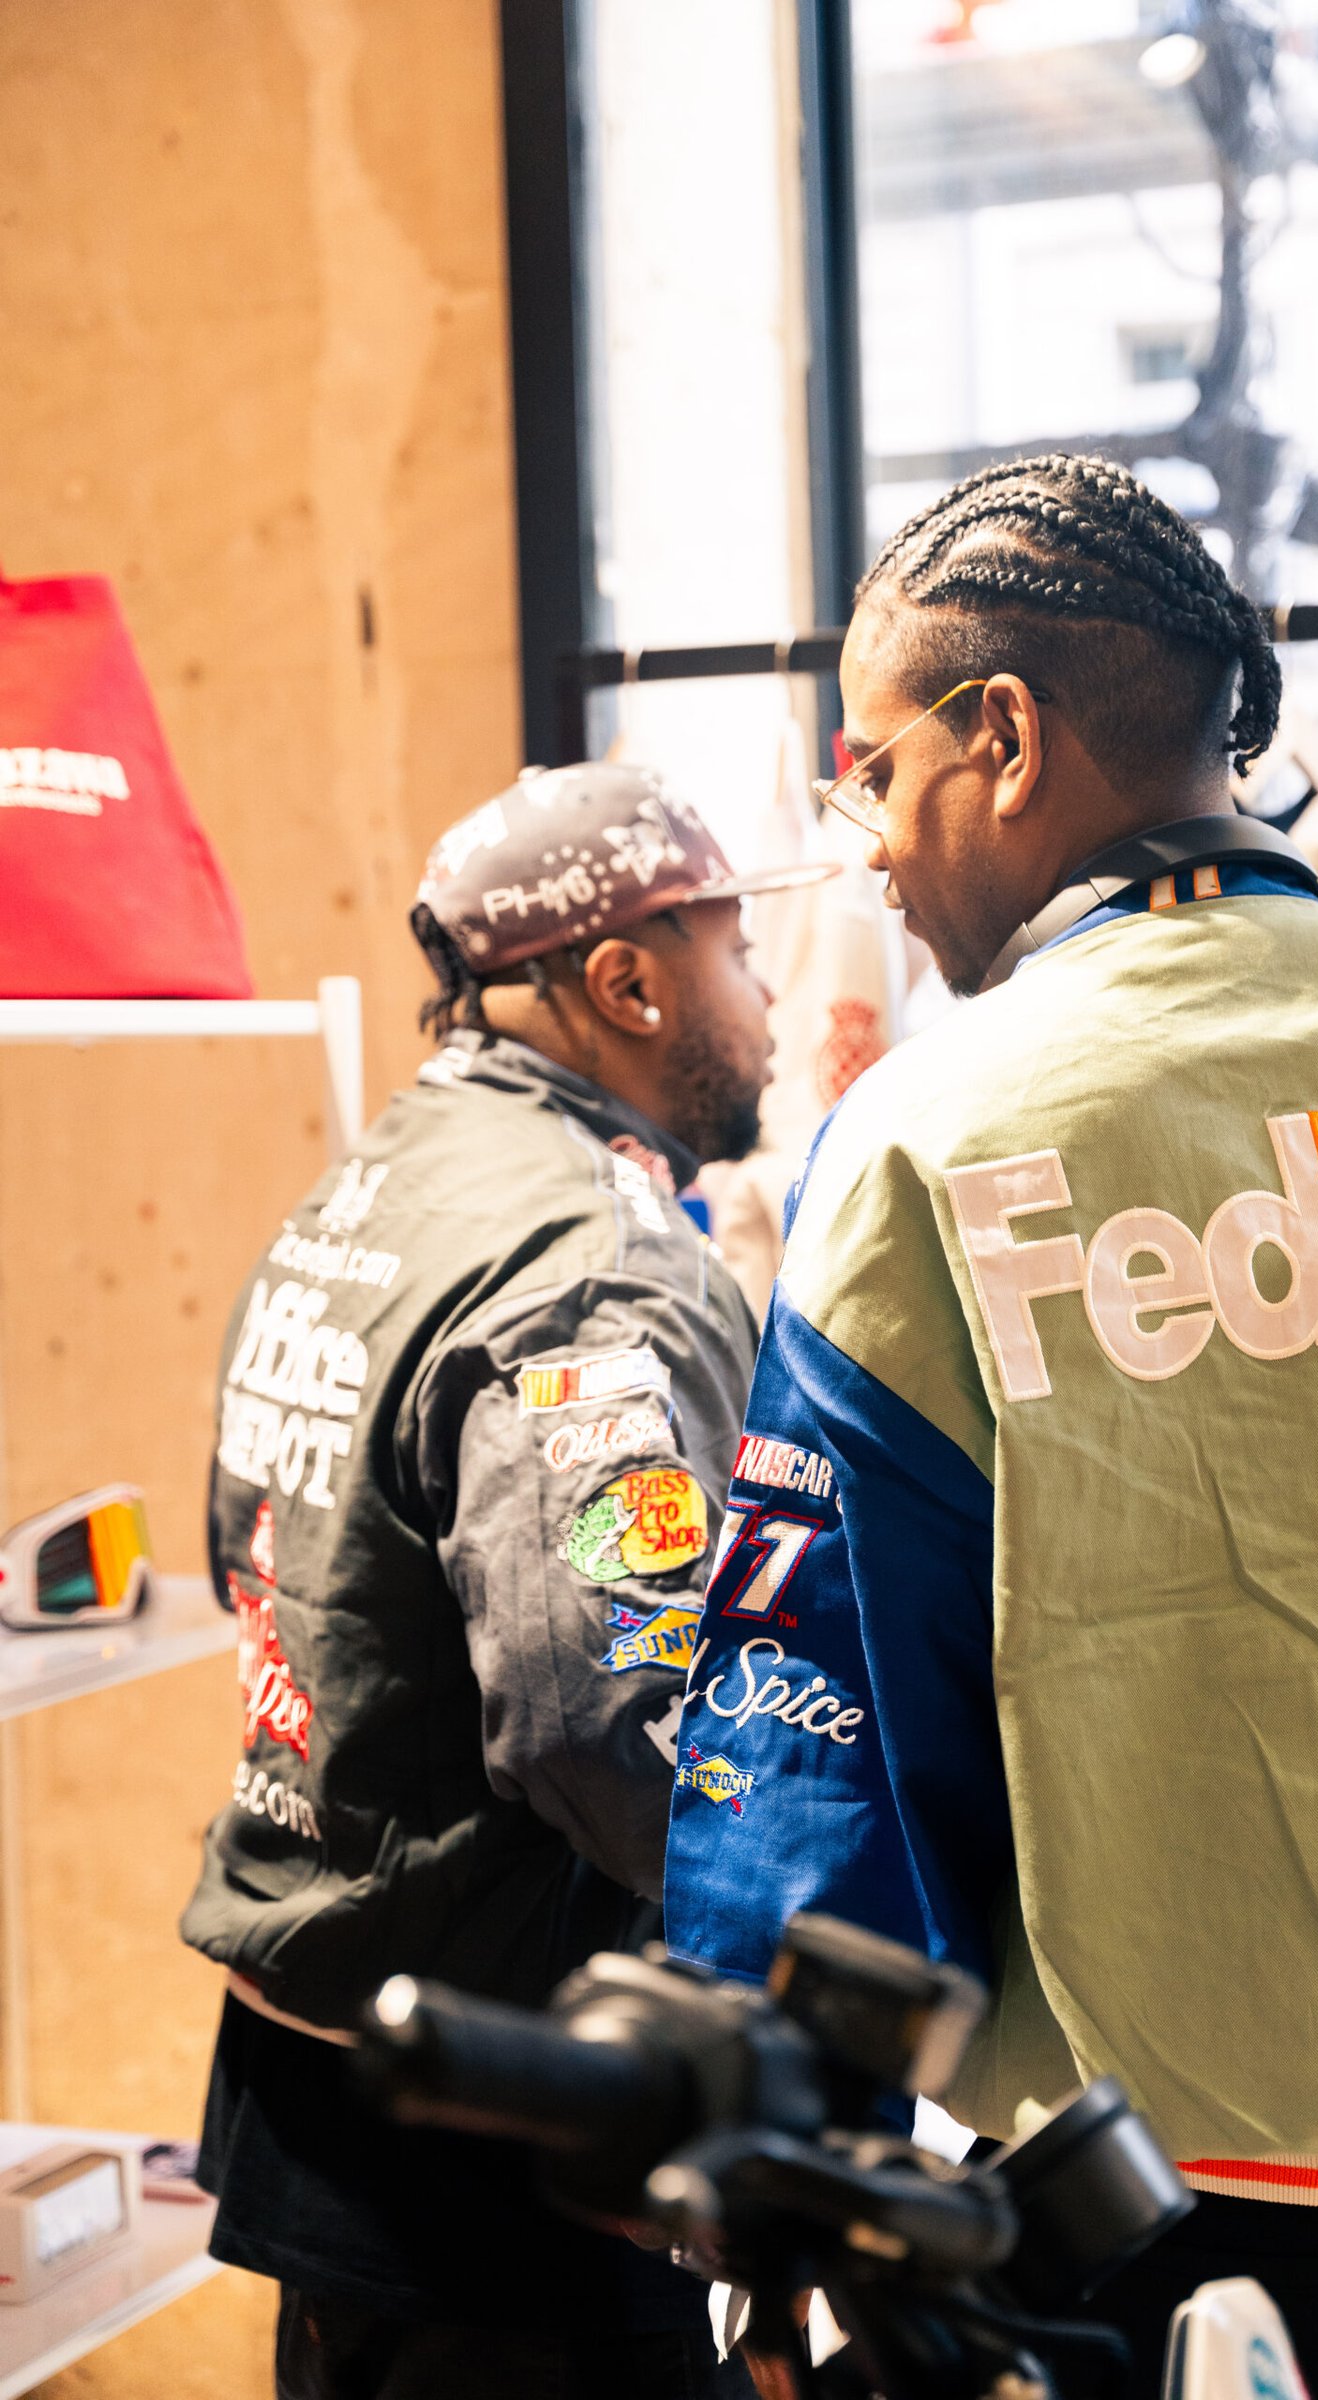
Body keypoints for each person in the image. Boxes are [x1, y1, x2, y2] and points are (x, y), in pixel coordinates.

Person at [662, 455, 1318, 2399]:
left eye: (873, 770)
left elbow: (818, 1722)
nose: (868, 846)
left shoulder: (933, 1146)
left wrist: (767, 2172)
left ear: (1002, 740)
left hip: (1183, 2228)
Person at [181, 762, 831, 2400]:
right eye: (736, 951)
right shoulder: (590, 1265)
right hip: (509, 2136)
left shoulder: (375, 1187)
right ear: (626, 982)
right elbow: (620, 1718)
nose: (765, 999)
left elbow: (251, 1556)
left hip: (322, 2067)